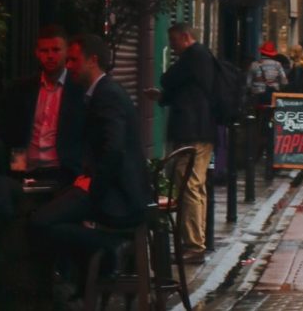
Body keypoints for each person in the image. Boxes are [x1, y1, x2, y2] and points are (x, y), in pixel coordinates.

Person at [31, 35, 150, 272]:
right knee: (53, 218)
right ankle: (80, 279)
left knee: (39, 222)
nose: (69, 65)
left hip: (118, 199)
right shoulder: (103, 92)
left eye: (74, 60)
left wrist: (93, 187)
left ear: (92, 61)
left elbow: (113, 150)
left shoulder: (106, 95)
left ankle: (108, 247)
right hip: (115, 191)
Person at [144, 23, 215, 265]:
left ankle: (194, 245)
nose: (172, 47)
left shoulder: (193, 56)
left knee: (188, 187)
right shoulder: (203, 58)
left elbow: (169, 78)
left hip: (192, 132)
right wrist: (163, 98)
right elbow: (188, 90)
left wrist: (164, 91)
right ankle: (197, 241)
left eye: (173, 41)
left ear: (185, 37)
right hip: (202, 131)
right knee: (196, 186)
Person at [0, 23, 85, 183]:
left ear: (66, 51)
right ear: (37, 53)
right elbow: (14, 133)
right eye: (45, 51)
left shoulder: (79, 90)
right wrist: (15, 173)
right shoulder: (21, 89)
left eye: (56, 50)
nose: (50, 56)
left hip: (64, 174)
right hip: (26, 172)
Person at [247, 41, 288, 106]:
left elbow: (248, 83)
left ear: (261, 53)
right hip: (273, 95)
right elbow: (284, 82)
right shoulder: (278, 65)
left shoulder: (254, 65)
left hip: (257, 96)